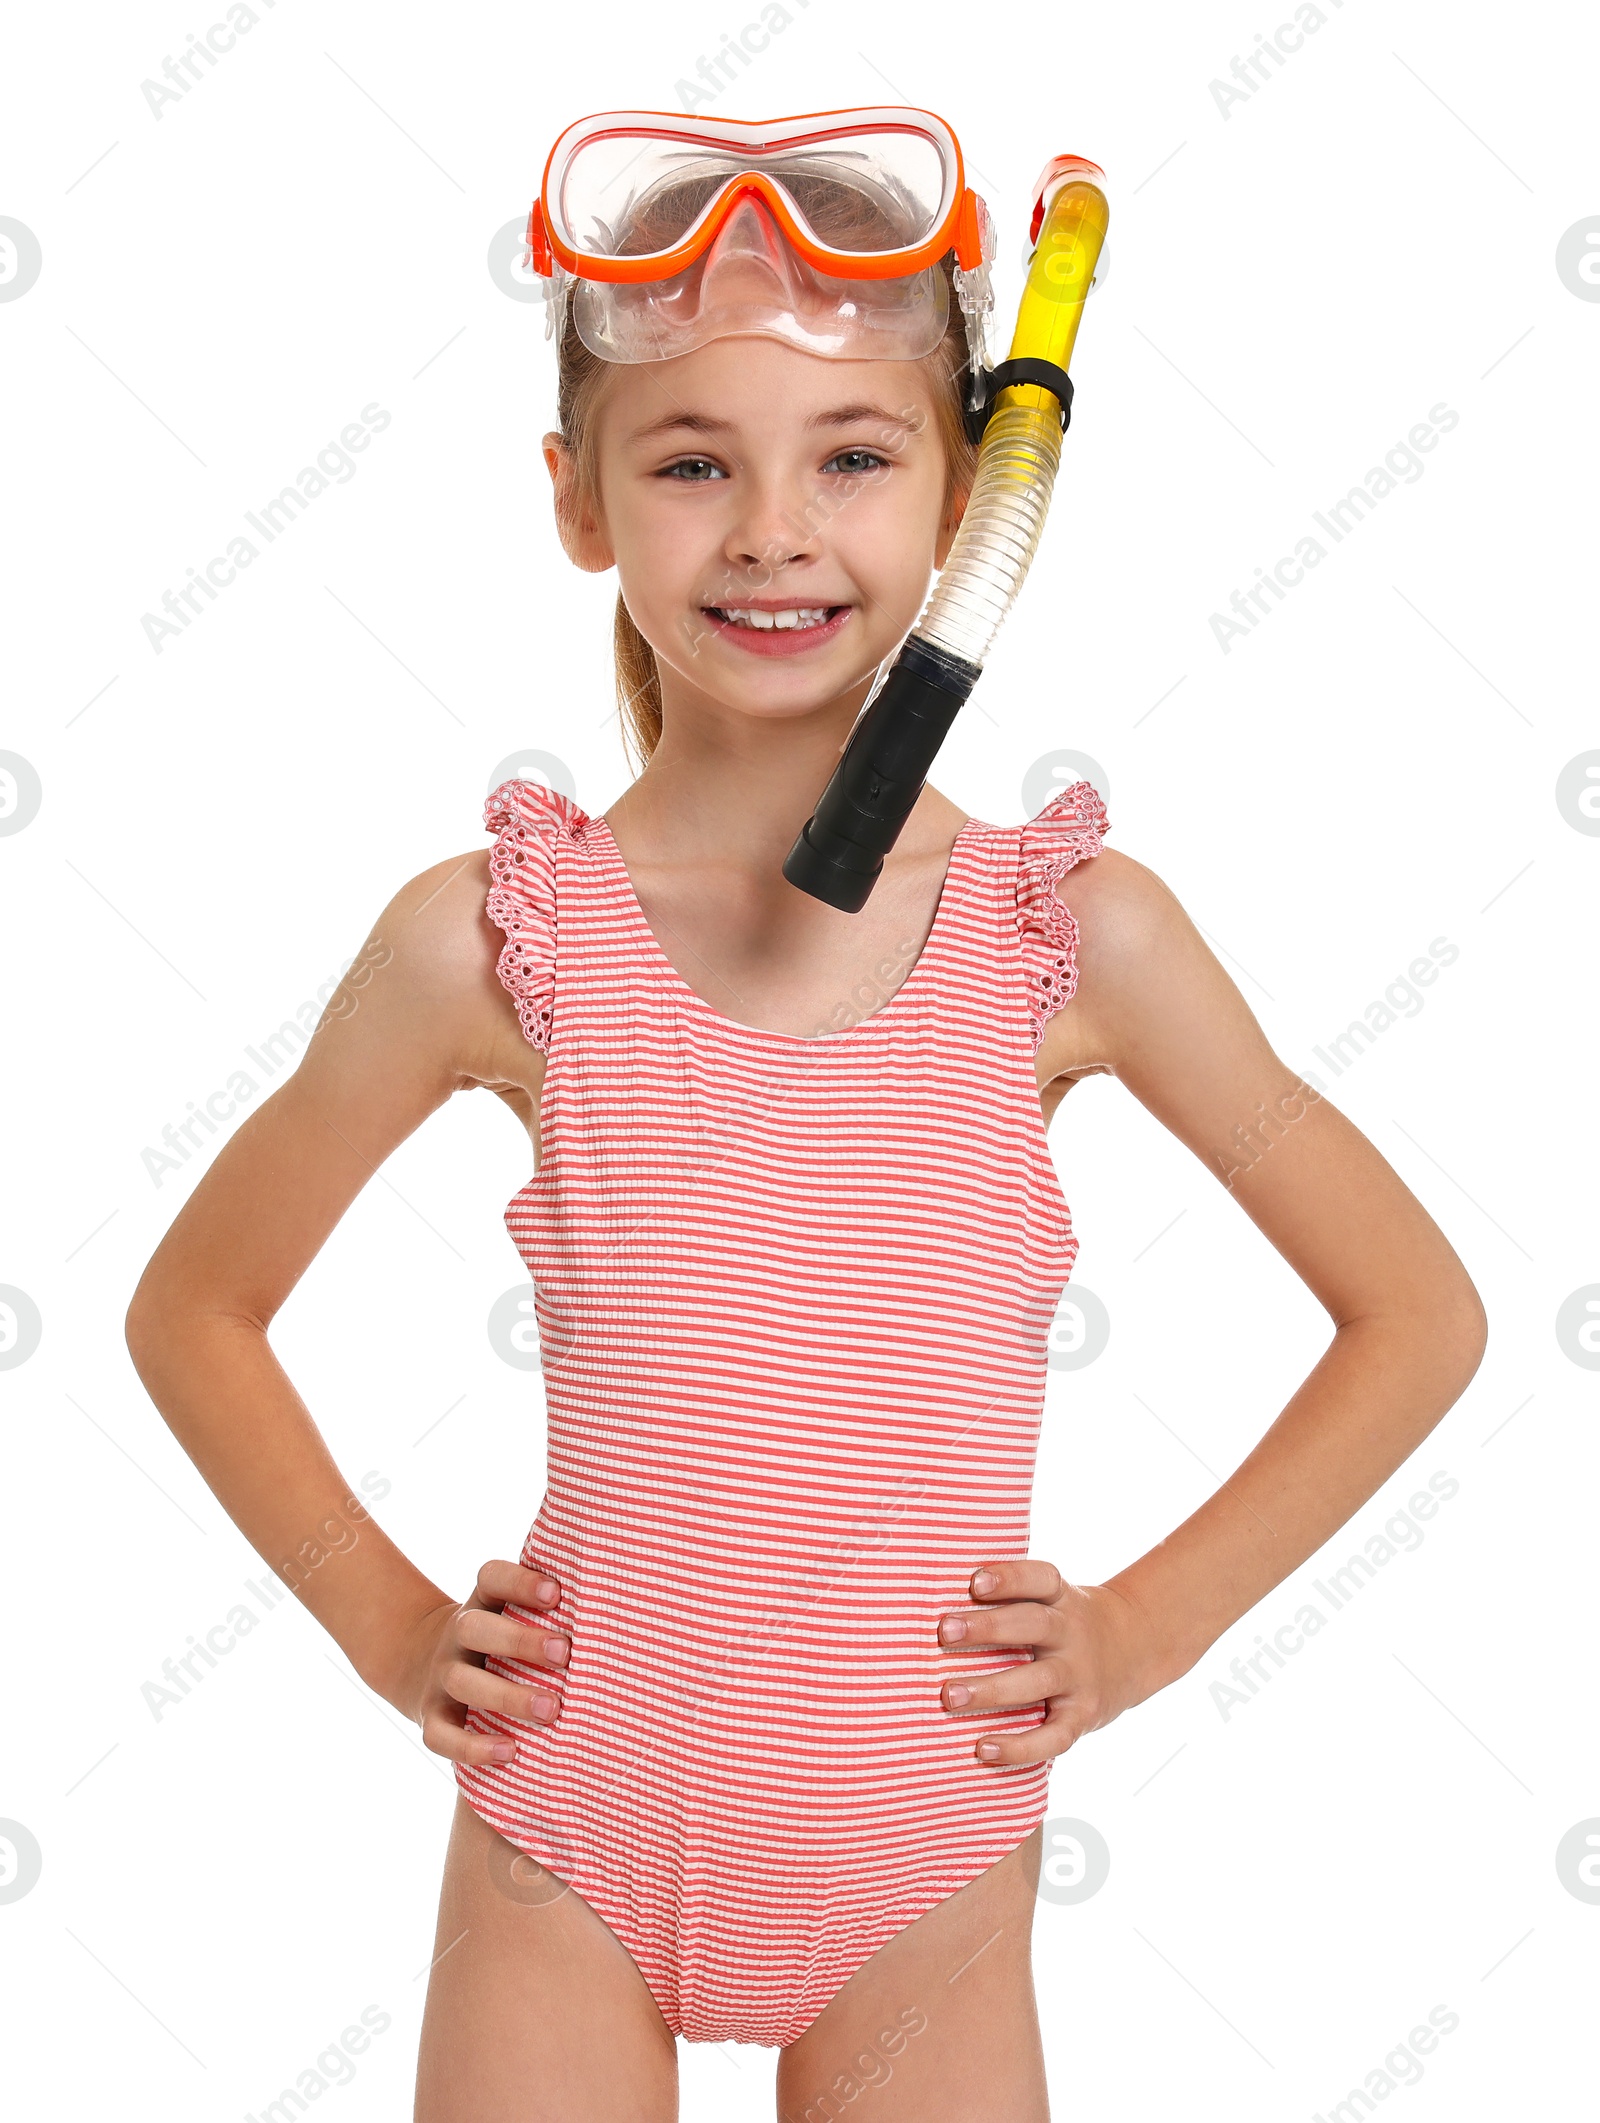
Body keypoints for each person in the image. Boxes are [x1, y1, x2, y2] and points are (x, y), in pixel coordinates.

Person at [125, 107, 1488, 2122]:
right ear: (577, 501)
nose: (772, 530)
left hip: (920, 1853)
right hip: (564, 1839)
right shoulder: (494, 943)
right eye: (692, 464)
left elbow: (1417, 1314)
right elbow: (194, 1309)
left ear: (959, 492)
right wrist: (384, 1625)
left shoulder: (1065, 933)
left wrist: (1136, 1631)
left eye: (851, 454)